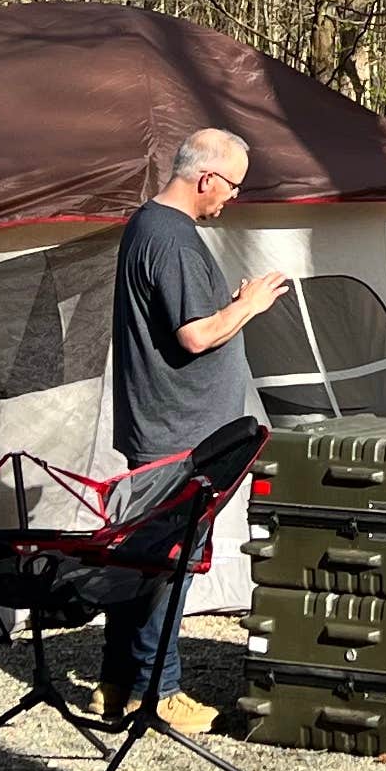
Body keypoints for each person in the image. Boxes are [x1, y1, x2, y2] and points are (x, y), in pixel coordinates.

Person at [97, 126, 288, 736]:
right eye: (231, 185)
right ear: (206, 178)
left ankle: (118, 681)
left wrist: (223, 305)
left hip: (165, 422)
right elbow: (194, 335)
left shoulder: (148, 226)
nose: (231, 197)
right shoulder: (174, 240)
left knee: (142, 554)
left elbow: (190, 318)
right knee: (169, 561)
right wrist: (250, 306)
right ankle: (161, 690)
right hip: (180, 432)